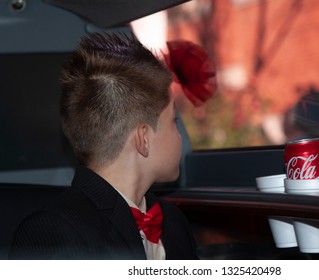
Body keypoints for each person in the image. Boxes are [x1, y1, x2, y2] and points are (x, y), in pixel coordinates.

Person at [8, 32, 198, 260]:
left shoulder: (173, 222)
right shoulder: (54, 232)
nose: (178, 136)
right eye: (173, 121)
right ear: (143, 138)